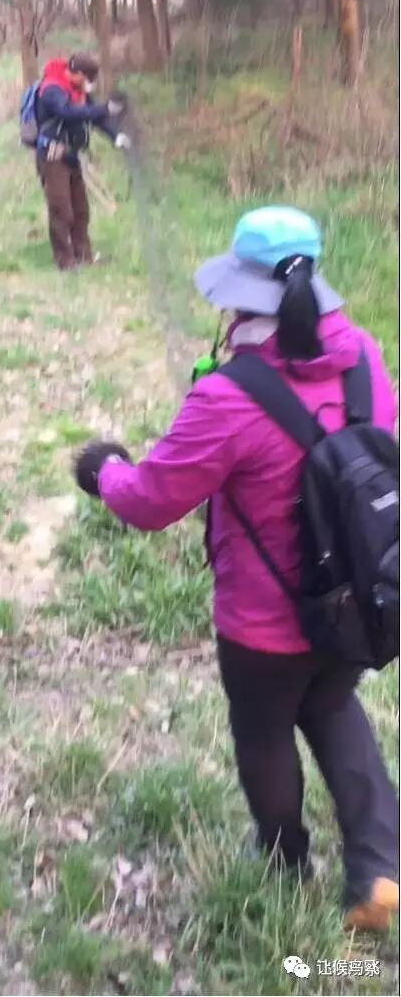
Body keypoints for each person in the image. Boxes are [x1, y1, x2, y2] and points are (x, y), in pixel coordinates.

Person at [73, 205, 399, 933]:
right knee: (334, 706)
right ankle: (379, 866)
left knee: (264, 734)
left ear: (242, 298)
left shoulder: (227, 397)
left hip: (263, 623)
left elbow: (151, 500)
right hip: (359, 603)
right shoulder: (365, 358)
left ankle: (284, 866)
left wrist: (104, 471)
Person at [35, 52, 129, 270]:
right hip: (53, 157)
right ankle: (65, 262)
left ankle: (84, 257)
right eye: (88, 79)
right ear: (76, 74)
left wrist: (116, 137)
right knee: (61, 210)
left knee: (81, 210)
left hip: (72, 156)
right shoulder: (51, 89)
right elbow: (67, 112)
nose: (90, 84)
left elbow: (94, 116)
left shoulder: (78, 91)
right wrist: (104, 108)